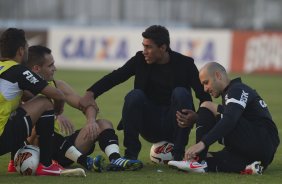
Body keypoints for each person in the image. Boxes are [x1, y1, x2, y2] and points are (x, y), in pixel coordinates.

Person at [79, 25, 211, 161]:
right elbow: (116, 77)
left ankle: (178, 156)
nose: (145, 51)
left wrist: (197, 117)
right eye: (144, 46)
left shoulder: (185, 64)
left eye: (149, 47)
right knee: (135, 95)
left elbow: (205, 97)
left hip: (175, 124)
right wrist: (91, 92)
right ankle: (130, 155)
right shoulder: (139, 60)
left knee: (181, 93)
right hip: (149, 124)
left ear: (163, 48)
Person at [19, 45, 143, 172]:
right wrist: (55, 115)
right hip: (38, 150)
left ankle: (116, 160)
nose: (55, 68)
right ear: (37, 68)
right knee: (43, 131)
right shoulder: (22, 90)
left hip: (64, 148)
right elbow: (25, 132)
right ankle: (85, 161)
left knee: (103, 124)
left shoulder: (57, 85)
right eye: (50, 65)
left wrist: (90, 121)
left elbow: (87, 103)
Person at [168, 62, 280, 174]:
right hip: (258, 151)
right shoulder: (230, 93)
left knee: (207, 105)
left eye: (206, 83)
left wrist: (202, 143)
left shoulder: (237, 89)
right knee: (210, 159)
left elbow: (230, 119)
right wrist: (198, 118)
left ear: (217, 75)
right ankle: (249, 166)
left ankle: (197, 160)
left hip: (261, 140)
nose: (205, 89)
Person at [0, 28, 67, 176]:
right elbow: (59, 96)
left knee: (16, 108)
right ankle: (46, 164)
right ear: (21, 51)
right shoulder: (18, 70)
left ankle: (13, 163)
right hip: (1, 139)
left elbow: (20, 96)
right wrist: (56, 111)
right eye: (27, 48)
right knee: (44, 102)